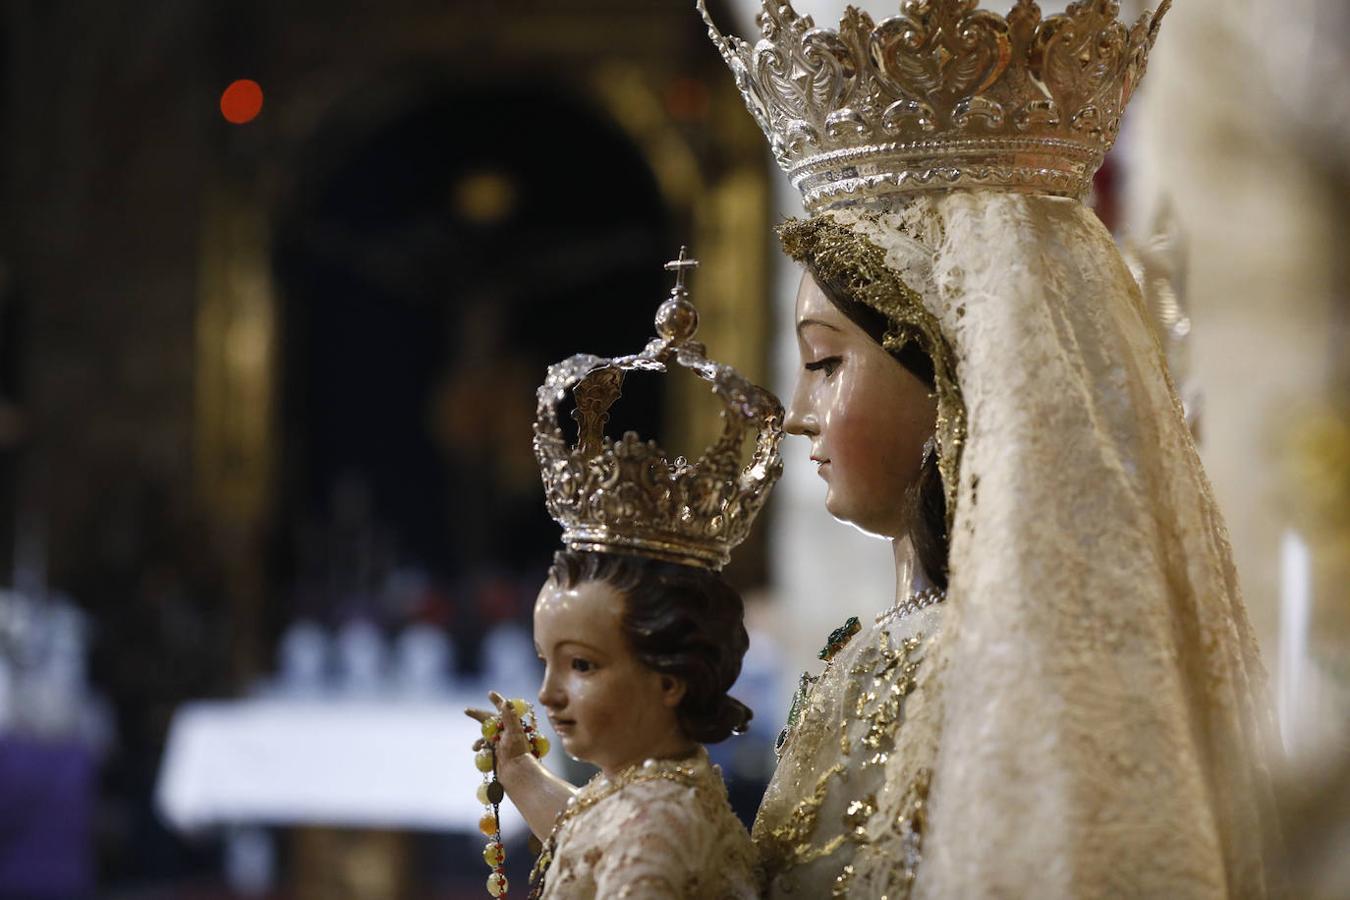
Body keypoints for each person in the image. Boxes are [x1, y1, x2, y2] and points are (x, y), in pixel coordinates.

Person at [699, 1, 1285, 897]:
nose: (797, 414)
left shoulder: (1011, 674)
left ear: (953, 370)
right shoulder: (892, 648)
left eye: (825, 364)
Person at [467, 250, 782, 898]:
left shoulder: (658, 830)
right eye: (547, 662)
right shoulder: (652, 786)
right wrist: (522, 775)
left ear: (669, 678)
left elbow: (624, 844)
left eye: (581, 666)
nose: (548, 694)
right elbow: (593, 835)